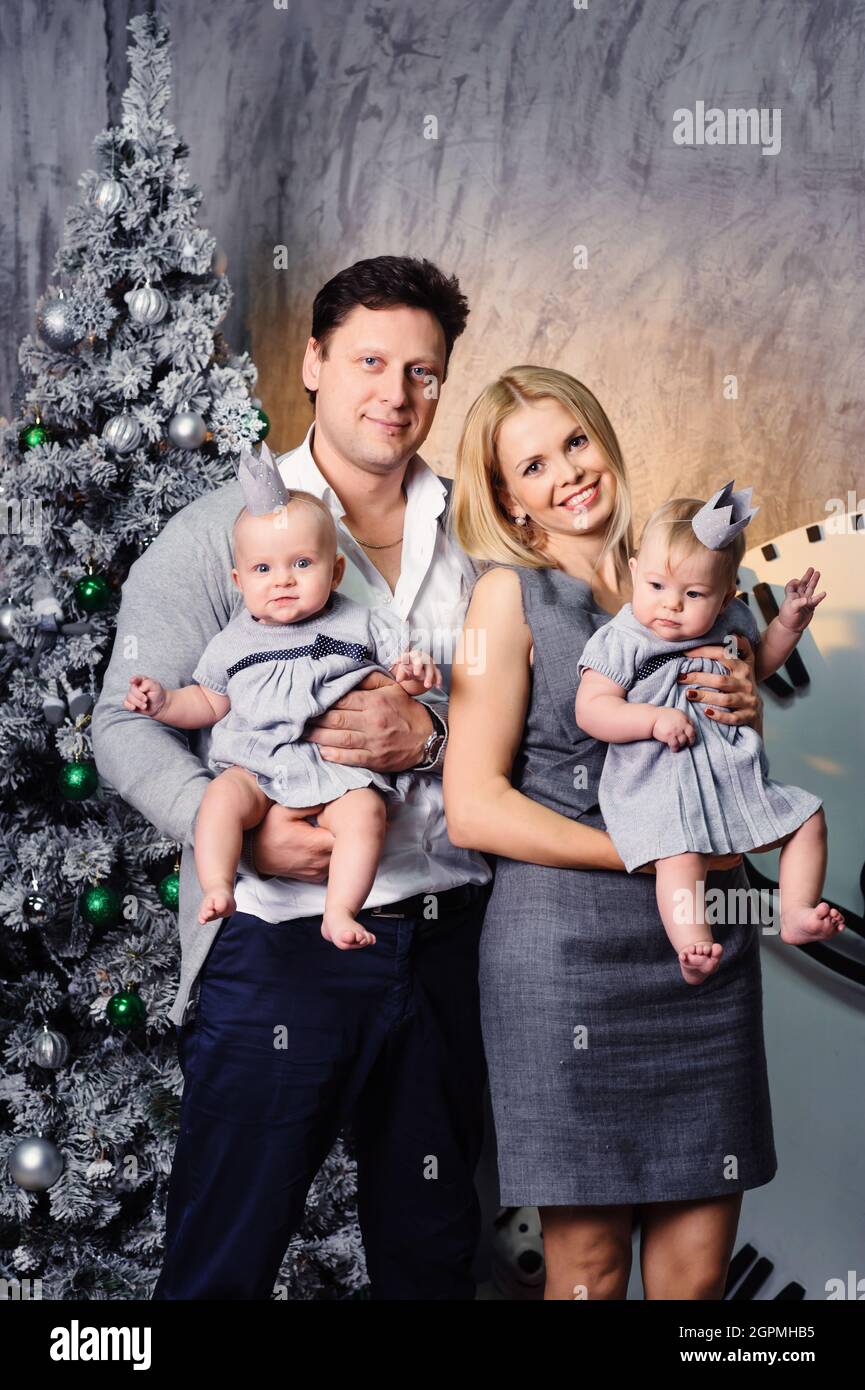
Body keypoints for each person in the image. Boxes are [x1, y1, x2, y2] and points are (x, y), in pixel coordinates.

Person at [91, 255, 491, 1300]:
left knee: (437, 1257)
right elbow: (118, 725)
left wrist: (433, 732)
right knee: (224, 1256)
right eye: (368, 359)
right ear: (310, 362)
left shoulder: (479, 539)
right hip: (278, 943)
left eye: (423, 371)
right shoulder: (216, 539)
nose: (394, 394)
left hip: (452, 940)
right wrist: (237, 829)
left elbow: (522, 718)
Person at [444, 365, 778, 1300]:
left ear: (606, 439)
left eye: (576, 443)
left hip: (699, 957)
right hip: (564, 962)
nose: (568, 474)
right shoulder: (505, 601)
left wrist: (749, 712)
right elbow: (474, 804)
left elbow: (728, 764)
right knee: (586, 1275)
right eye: (534, 465)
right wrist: (644, 853)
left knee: (696, 1279)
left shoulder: (694, 569)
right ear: (509, 501)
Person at [123, 476, 442, 946]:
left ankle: (340, 909)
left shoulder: (360, 622)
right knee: (220, 800)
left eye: (301, 563)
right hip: (256, 765)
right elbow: (210, 701)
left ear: (334, 572)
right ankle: (217, 884)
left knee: (365, 815)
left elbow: (400, 686)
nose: (283, 580)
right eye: (263, 569)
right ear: (239, 580)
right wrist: (165, 702)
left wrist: (415, 672)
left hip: (337, 770)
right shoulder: (232, 641)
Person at [576, 491, 843, 984]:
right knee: (682, 857)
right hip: (660, 786)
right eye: (656, 585)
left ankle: (796, 912)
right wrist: (650, 720)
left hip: (728, 779)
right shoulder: (623, 639)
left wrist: (788, 624)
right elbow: (592, 709)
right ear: (636, 572)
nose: (671, 605)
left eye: (694, 594)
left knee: (808, 818)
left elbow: (756, 667)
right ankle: (691, 945)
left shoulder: (730, 626)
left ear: (725, 599)